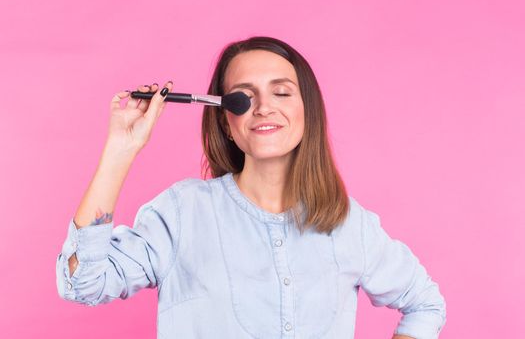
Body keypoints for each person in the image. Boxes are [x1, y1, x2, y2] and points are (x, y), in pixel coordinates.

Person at [56, 36, 446, 339]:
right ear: (227, 121)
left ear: (306, 110)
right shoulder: (182, 212)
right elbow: (81, 285)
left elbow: (425, 304)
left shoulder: (350, 225)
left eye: (281, 92)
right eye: (244, 96)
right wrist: (120, 151)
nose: (263, 107)